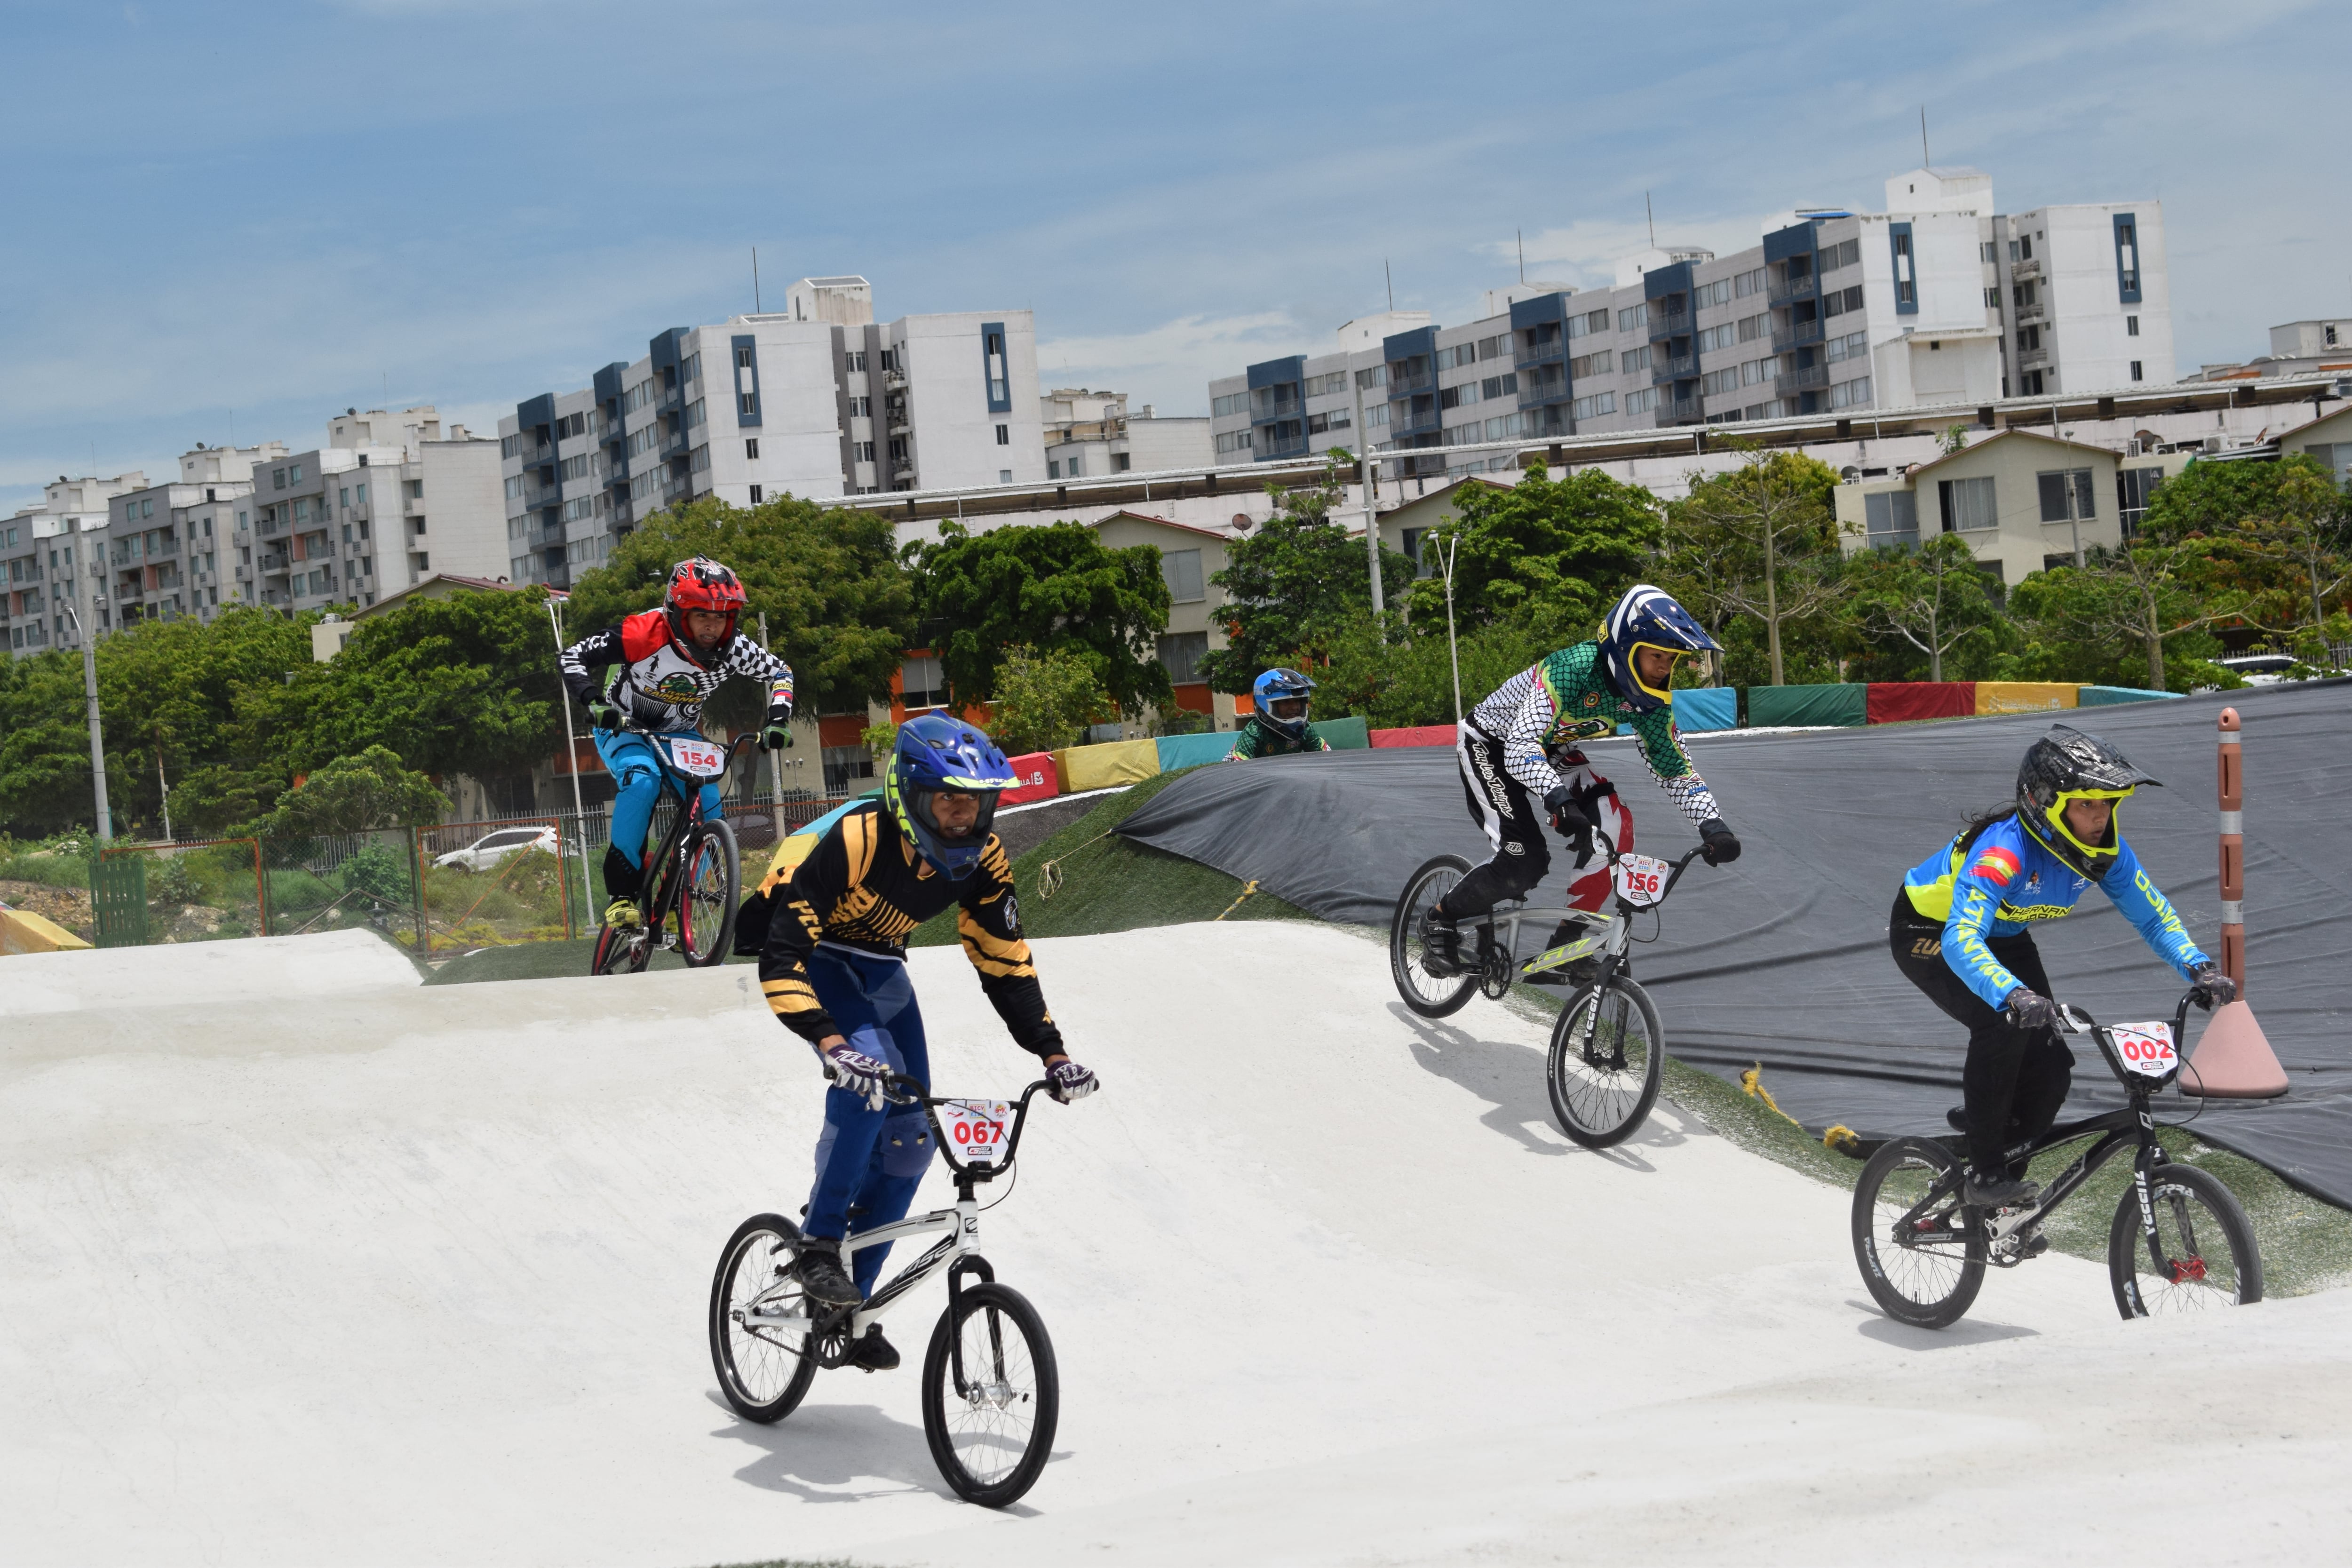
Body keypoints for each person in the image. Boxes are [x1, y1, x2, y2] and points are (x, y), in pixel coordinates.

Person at [739, 713, 1100, 1372]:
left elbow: (1003, 957)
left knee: (912, 1143)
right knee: (870, 1076)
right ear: (910, 794)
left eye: (977, 802)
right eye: (949, 800)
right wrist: (829, 1041)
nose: (964, 818)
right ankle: (819, 1246)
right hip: (818, 952)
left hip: (882, 967)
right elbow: (781, 955)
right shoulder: (857, 838)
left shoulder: (984, 855)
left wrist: (1054, 1053)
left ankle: (853, 1305)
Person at [1891, 724, 2235, 1208]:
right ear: (2045, 803)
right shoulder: (2001, 851)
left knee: (2052, 1070)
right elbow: (1959, 938)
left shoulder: (2105, 851)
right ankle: (1984, 1173)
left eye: (2106, 804)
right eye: (2085, 804)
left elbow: (2152, 916)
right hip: (1928, 933)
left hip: (2003, 938)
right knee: (2001, 1025)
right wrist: (2011, 995)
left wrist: (2197, 967)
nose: (2099, 818)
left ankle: (2002, 1194)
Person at [1421, 583, 1741, 977]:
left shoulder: (1650, 701)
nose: (1664, 668)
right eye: (1657, 656)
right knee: (1524, 861)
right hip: (1492, 744)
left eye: (1670, 660)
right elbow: (1520, 746)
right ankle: (1440, 918)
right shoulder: (1574, 667)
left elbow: (1675, 769)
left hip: (1550, 746)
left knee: (1614, 822)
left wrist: (1713, 825)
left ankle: (1568, 942)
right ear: (1626, 649)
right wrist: (1559, 800)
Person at [558, 557, 795, 931]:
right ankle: (621, 895)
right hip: (623, 725)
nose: (712, 627)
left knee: (710, 800)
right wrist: (594, 702)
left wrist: (778, 719)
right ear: (677, 611)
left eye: (722, 617)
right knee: (643, 782)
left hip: (680, 732)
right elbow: (572, 656)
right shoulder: (642, 632)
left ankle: (687, 889)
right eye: (702, 616)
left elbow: (781, 672)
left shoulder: (735, 649)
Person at [1229, 667, 1333, 758]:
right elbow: (1239, 771)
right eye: (1285, 702)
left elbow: (1327, 758)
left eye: (1298, 701)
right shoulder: (1254, 733)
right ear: (1266, 705)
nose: (1295, 707)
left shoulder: (1306, 730)